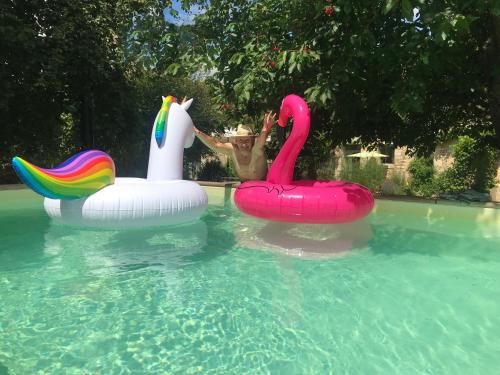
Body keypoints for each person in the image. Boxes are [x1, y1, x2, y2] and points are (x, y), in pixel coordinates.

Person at [193, 112, 276, 181]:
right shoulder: (233, 150)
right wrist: (197, 133)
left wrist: (266, 129)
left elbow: (261, 141)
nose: (244, 144)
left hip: (262, 189)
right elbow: (215, 144)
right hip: (243, 189)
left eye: (247, 140)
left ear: (252, 140)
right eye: (241, 140)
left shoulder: (256, 150)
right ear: (236, 141)